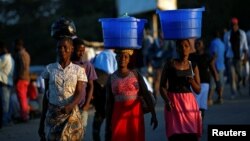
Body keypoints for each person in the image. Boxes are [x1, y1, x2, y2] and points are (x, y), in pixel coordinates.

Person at [38, 37, 88, 141]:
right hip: (53, 115)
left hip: (71, 114)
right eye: (59, 47)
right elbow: (46, 96)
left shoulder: (78, 70)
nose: (62, 50)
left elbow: (79, 93)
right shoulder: (49, 69)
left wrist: (70, 106)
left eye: (65, 47)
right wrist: (41, 122)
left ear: (72, 49)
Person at [105, 49, 158, 141]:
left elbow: (146, 93)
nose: (123, 59)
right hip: (118, 116)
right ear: (116, 58)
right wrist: (108, 124)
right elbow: (109, 103)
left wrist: (154, 114)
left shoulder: (135, 74)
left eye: (126, 57)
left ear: (129, 60)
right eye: (120, 56)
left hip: (135, 115)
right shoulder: (111, 78)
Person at [159, 39, 202, 141]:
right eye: (181, 46)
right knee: (175, 135)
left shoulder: (193, 66)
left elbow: (198, 90)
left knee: (190, 135)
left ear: (190, 48)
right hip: (173, 104)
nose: (183, 48)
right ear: (177, 49)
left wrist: (191, 81)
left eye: (186, 46)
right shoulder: (170, 64)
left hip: (189, 105)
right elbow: (161, 86)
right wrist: (167, 100)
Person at [71, 37, 98, 138]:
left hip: (82, 107)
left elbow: (91, 86)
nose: (81, 53)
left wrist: (87, 105)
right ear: (72, 49)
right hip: (68, 106)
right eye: (79, 51)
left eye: (83, 51)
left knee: (80, 134)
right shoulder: (67, 65)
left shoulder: (87, 65)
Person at [190, 38, 219, 124]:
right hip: (193, 83)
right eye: (196, 43)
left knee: (202, 106)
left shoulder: (207, 56)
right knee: (194, 106)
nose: (197, 45)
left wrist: (217, 82)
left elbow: (213, 69)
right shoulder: (191, 57)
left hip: (204, 84)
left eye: (199, 43)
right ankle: (195, 123)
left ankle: (200, 124)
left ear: (203, 46)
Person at [91, 48, 117, 141]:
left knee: (97, 123)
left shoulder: (98, 55)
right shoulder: (115, 56)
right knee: (110, 125)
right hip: (110, 91)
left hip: (98, 90)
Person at [224, 17, 248, 99]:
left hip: (239, 58)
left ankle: (239, 85)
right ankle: (233, 92)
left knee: (239, 75)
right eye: (232, 25)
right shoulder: (227, 35)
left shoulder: (242, 34)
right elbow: (226, 47)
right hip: (230, 57)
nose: (234, 26)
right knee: (232, 75)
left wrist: (245, 58)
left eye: (235, 25)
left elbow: (245, 47)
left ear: (237, 25)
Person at [13, 38, 31, 122]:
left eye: (15, 45)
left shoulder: (20, 54)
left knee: (22, 98)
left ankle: (24, 116)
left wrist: (18, 78)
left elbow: (23, 67)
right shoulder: (26, 53)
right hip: (25, 78)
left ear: (18, 45)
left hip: (21, 79)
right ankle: (25, 115)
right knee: (23, 98)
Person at [208, 30, 226, 105]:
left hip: (214, 66)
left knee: (212, 83)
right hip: (221, 65)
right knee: (220, 82)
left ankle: (209, 99)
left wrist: (211, 62)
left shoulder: (213, 43)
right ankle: (220, 97)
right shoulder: (222, 43)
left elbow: (214, 54)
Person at [0, 41, 15, 127]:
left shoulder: (4, 57)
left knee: (4, 104)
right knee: (8, 104)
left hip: (3, 83)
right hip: (8, 82)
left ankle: (5, 121)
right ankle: (8, 119)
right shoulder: (11, 58)